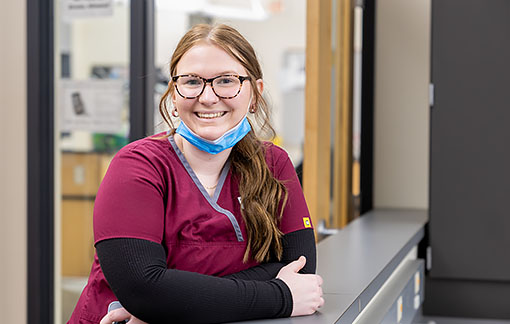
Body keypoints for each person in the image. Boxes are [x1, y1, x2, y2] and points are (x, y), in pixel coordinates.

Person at [68, 23, 323, 324]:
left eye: (227, 80)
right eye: (192, 82)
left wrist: (170, 304)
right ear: (174, 94)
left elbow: (300, 269)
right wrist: (279, 294)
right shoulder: (137, 167)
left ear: (255, 94)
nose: (208, 97)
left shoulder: (274, 164)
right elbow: (142, 289)